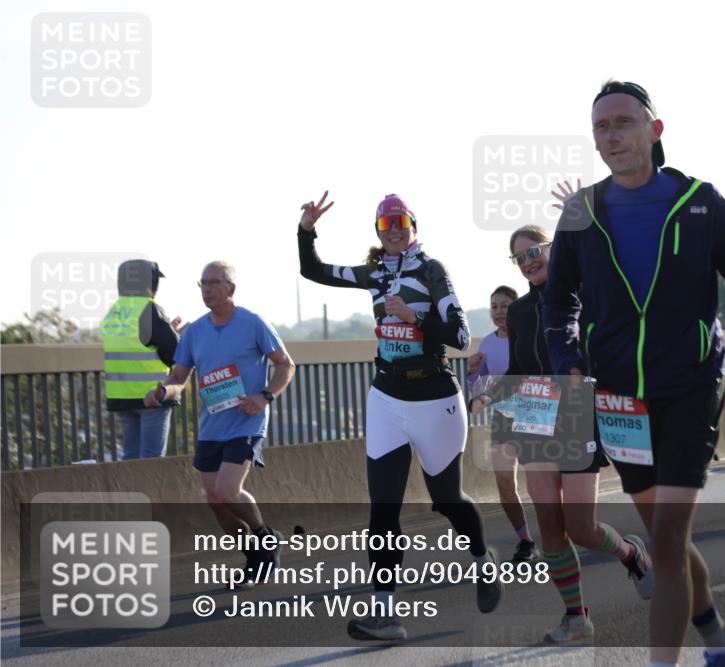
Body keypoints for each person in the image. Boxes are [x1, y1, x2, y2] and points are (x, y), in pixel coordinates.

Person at [544, 80, 725, 666]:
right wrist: (568, 360)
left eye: (623, 122)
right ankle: (720, 637)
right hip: (619, 399)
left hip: (691, 387)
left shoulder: (698, 200)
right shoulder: (581, 212)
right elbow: (559, 300)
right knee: (668, 538)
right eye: (601, 126)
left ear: (655, 130)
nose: (611, 134)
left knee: (667, 541)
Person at [297, 191, 503, 641]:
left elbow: (462, 337)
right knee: (383, 508)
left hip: (434, 397)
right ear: (378, 231)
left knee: (447, 499)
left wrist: (414, 316)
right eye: (386, 224)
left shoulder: (432, 271)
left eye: (401, 222)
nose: (394, 230)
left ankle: (484, 563)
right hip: (386, 397)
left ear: (413, 226)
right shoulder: (373, 274)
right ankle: (386, 613)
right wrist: (306, 230)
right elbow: (313, 270)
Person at [472, 224, 652, 643]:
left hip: (576, 413)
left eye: (535, 249)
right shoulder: (517, 313)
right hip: (533, 415)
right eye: (520, 256)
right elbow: (518, 370)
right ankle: (576, 617)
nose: (529, 259)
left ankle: (630, 553)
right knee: (550, 525)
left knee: (581, 527)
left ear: (552, 248)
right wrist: (487, 395)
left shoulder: (582, 292)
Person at [144, 260, 295, 584]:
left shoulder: (253, 323)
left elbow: (285, 365)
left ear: (231, 288)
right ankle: (255, 555)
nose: (207, 289)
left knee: (228, 489)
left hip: (247, 419)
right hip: (213, 424)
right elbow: (179, 377)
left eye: (214, 282)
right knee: (215, 500)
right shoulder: (195, 332)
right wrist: (162, 390)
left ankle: (267, 538)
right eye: (203, 284)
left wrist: (264, 396)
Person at [466, 285, 539, 563]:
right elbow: (479, 388)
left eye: (505, 306)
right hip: (503, 418)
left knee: (538, 486)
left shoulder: (529, 338)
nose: (499, 311)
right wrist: (473, 372)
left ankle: (560, 533)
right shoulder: (486, 343)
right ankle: (526, 541)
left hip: (534, 417)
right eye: (494, 306)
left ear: (517, 309)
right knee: (504, 481)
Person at [101, 259, 181, 459]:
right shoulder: (148, 308)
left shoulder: (114, 312)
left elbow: (136, 342)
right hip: (152, 395)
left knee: (131, 459)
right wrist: (179, 335)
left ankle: (130, 491)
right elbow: (175, 353)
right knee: (151, 461)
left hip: (122, 396)